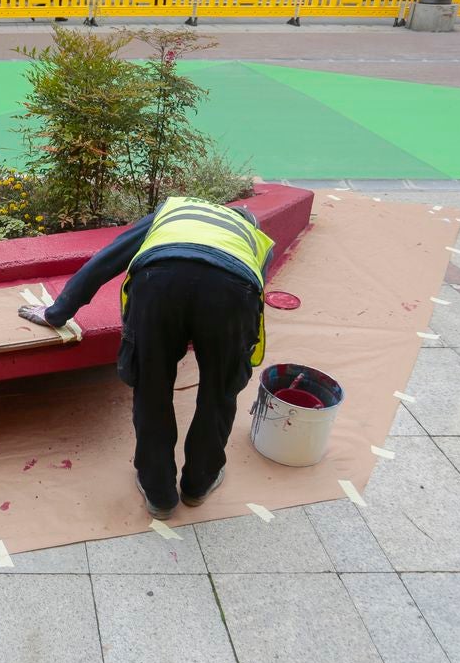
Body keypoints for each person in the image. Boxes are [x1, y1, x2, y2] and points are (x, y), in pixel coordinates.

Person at [18, 197, 274, 520]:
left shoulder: (173, 211)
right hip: (232, 291)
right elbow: (255, 299)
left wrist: (58, 312)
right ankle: (199, 483)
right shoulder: (254, 235)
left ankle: (159, 494)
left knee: (152, 387)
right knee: (220, 390)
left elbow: (108, 259)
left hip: (159, 281)